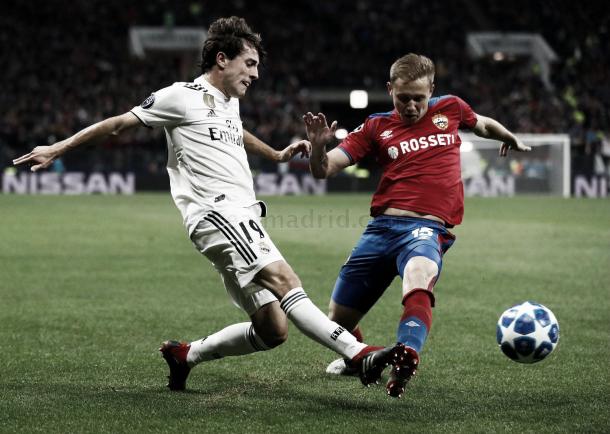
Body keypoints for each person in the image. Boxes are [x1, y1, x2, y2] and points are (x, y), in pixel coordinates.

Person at [13, 17, 406, 392]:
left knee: (272, 329)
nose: (255, 74)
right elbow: (117, 124)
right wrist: (58, 148)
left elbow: (237, 131)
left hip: (238, 216)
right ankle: (358, 354)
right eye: (249, 63)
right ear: (222, 59)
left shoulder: (228, 101)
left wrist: (275, 154)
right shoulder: (180, 97)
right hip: (217, 213)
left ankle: (185, 355)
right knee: (285, 280)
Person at [303, 53, 531, 398]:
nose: (411, 106)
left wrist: (508, 137)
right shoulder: (375, 126)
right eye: (403, 98)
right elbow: (325, 169)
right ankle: (355, 359)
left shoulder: (451, 108)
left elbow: (482, 124)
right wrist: (318, 149)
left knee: (419, 273)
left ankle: (405, 355)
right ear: (389, 90)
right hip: (381, 230)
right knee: (336, 322)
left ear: (432, 90)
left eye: (418, 98)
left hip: (425, 230)